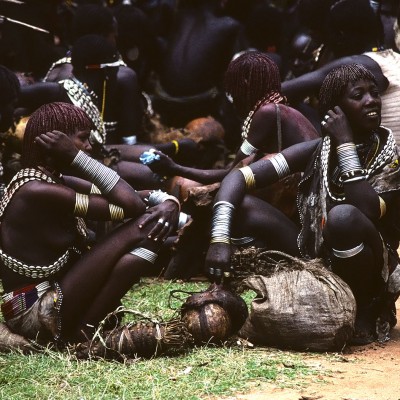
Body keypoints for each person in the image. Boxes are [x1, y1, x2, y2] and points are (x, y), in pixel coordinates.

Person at [205, 64, 400, 344]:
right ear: (336, 110)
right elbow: (238, 176)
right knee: (243, 206)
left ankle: (362, 307)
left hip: (368, 262)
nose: (371, 100)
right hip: (315, 250)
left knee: (343, 217)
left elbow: (367, 209)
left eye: (374, 94)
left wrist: (344, 142)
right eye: (358, 95)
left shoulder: (390, 155)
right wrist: (219, 238)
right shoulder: (318, 149)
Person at [0, 102, 180, 345]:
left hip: (58, 294)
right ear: (57, 141)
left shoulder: (56, 180)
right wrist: (76, 157)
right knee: (146, 225)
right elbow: (134, 207)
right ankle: (83, 333)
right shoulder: (35, 190)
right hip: (35, 311)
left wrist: (169, 203)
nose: (88, 146)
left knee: (150, 227)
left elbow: (133, 196)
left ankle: (87, 326)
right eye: (82, 139)